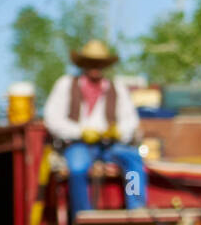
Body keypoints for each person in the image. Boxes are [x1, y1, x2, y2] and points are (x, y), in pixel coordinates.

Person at [42, 39, 147, 213]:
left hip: (110, 146)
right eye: (91, 63)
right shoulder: (66, 84)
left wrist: (118, 132)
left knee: (133, 159)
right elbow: (52, 119)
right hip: (78, 145)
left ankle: (136, 208)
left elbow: (131, 121)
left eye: (99, 63)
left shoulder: (117, 88)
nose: (95, 67)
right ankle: (83, 214)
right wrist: (80, 132)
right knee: (77, 167)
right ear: (83, 64)